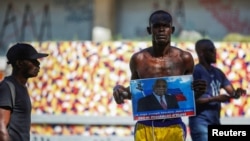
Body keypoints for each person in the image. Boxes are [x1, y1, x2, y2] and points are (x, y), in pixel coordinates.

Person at [113, 10, 207, 141]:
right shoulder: (139, 59)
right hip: (145, 127)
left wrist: (199, 91)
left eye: (165, 26)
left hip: (173, 126)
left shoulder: (184, 59)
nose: (161, 30)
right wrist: (120, 92)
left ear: (172, 29)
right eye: (157, 26)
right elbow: (137, 92)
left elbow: (188, 98)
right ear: (149, 30)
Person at [188, 39, 246, 141]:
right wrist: (214, 99)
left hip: (215, 121)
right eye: (211, 50)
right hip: (200, 123)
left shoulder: (218, 72)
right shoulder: (195, 72)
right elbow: (190, 101)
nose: (215, 53)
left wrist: (237, 93)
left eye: (214, 50)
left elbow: (232, 92)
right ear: (201, 53)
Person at [0, 43, 48, 141]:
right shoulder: (7, 87)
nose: (38, 64)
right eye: (32, 60)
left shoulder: (21, 87)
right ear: (19, 63)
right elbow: (1, 128)